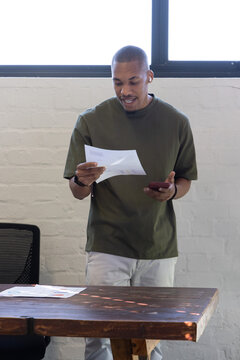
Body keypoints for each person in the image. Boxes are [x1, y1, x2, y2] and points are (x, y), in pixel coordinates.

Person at [64, 45, 197, 360]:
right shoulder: (91, 121)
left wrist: (172, 192)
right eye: (117, 82)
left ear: (149, 77)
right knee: (99, 337)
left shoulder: (176, 122)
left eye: (133, 81)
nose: (124, 90)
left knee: (151, 338)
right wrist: (83, 180)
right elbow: (77, 191)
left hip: (158, 247)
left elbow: (185, 179)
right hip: (107, 246)